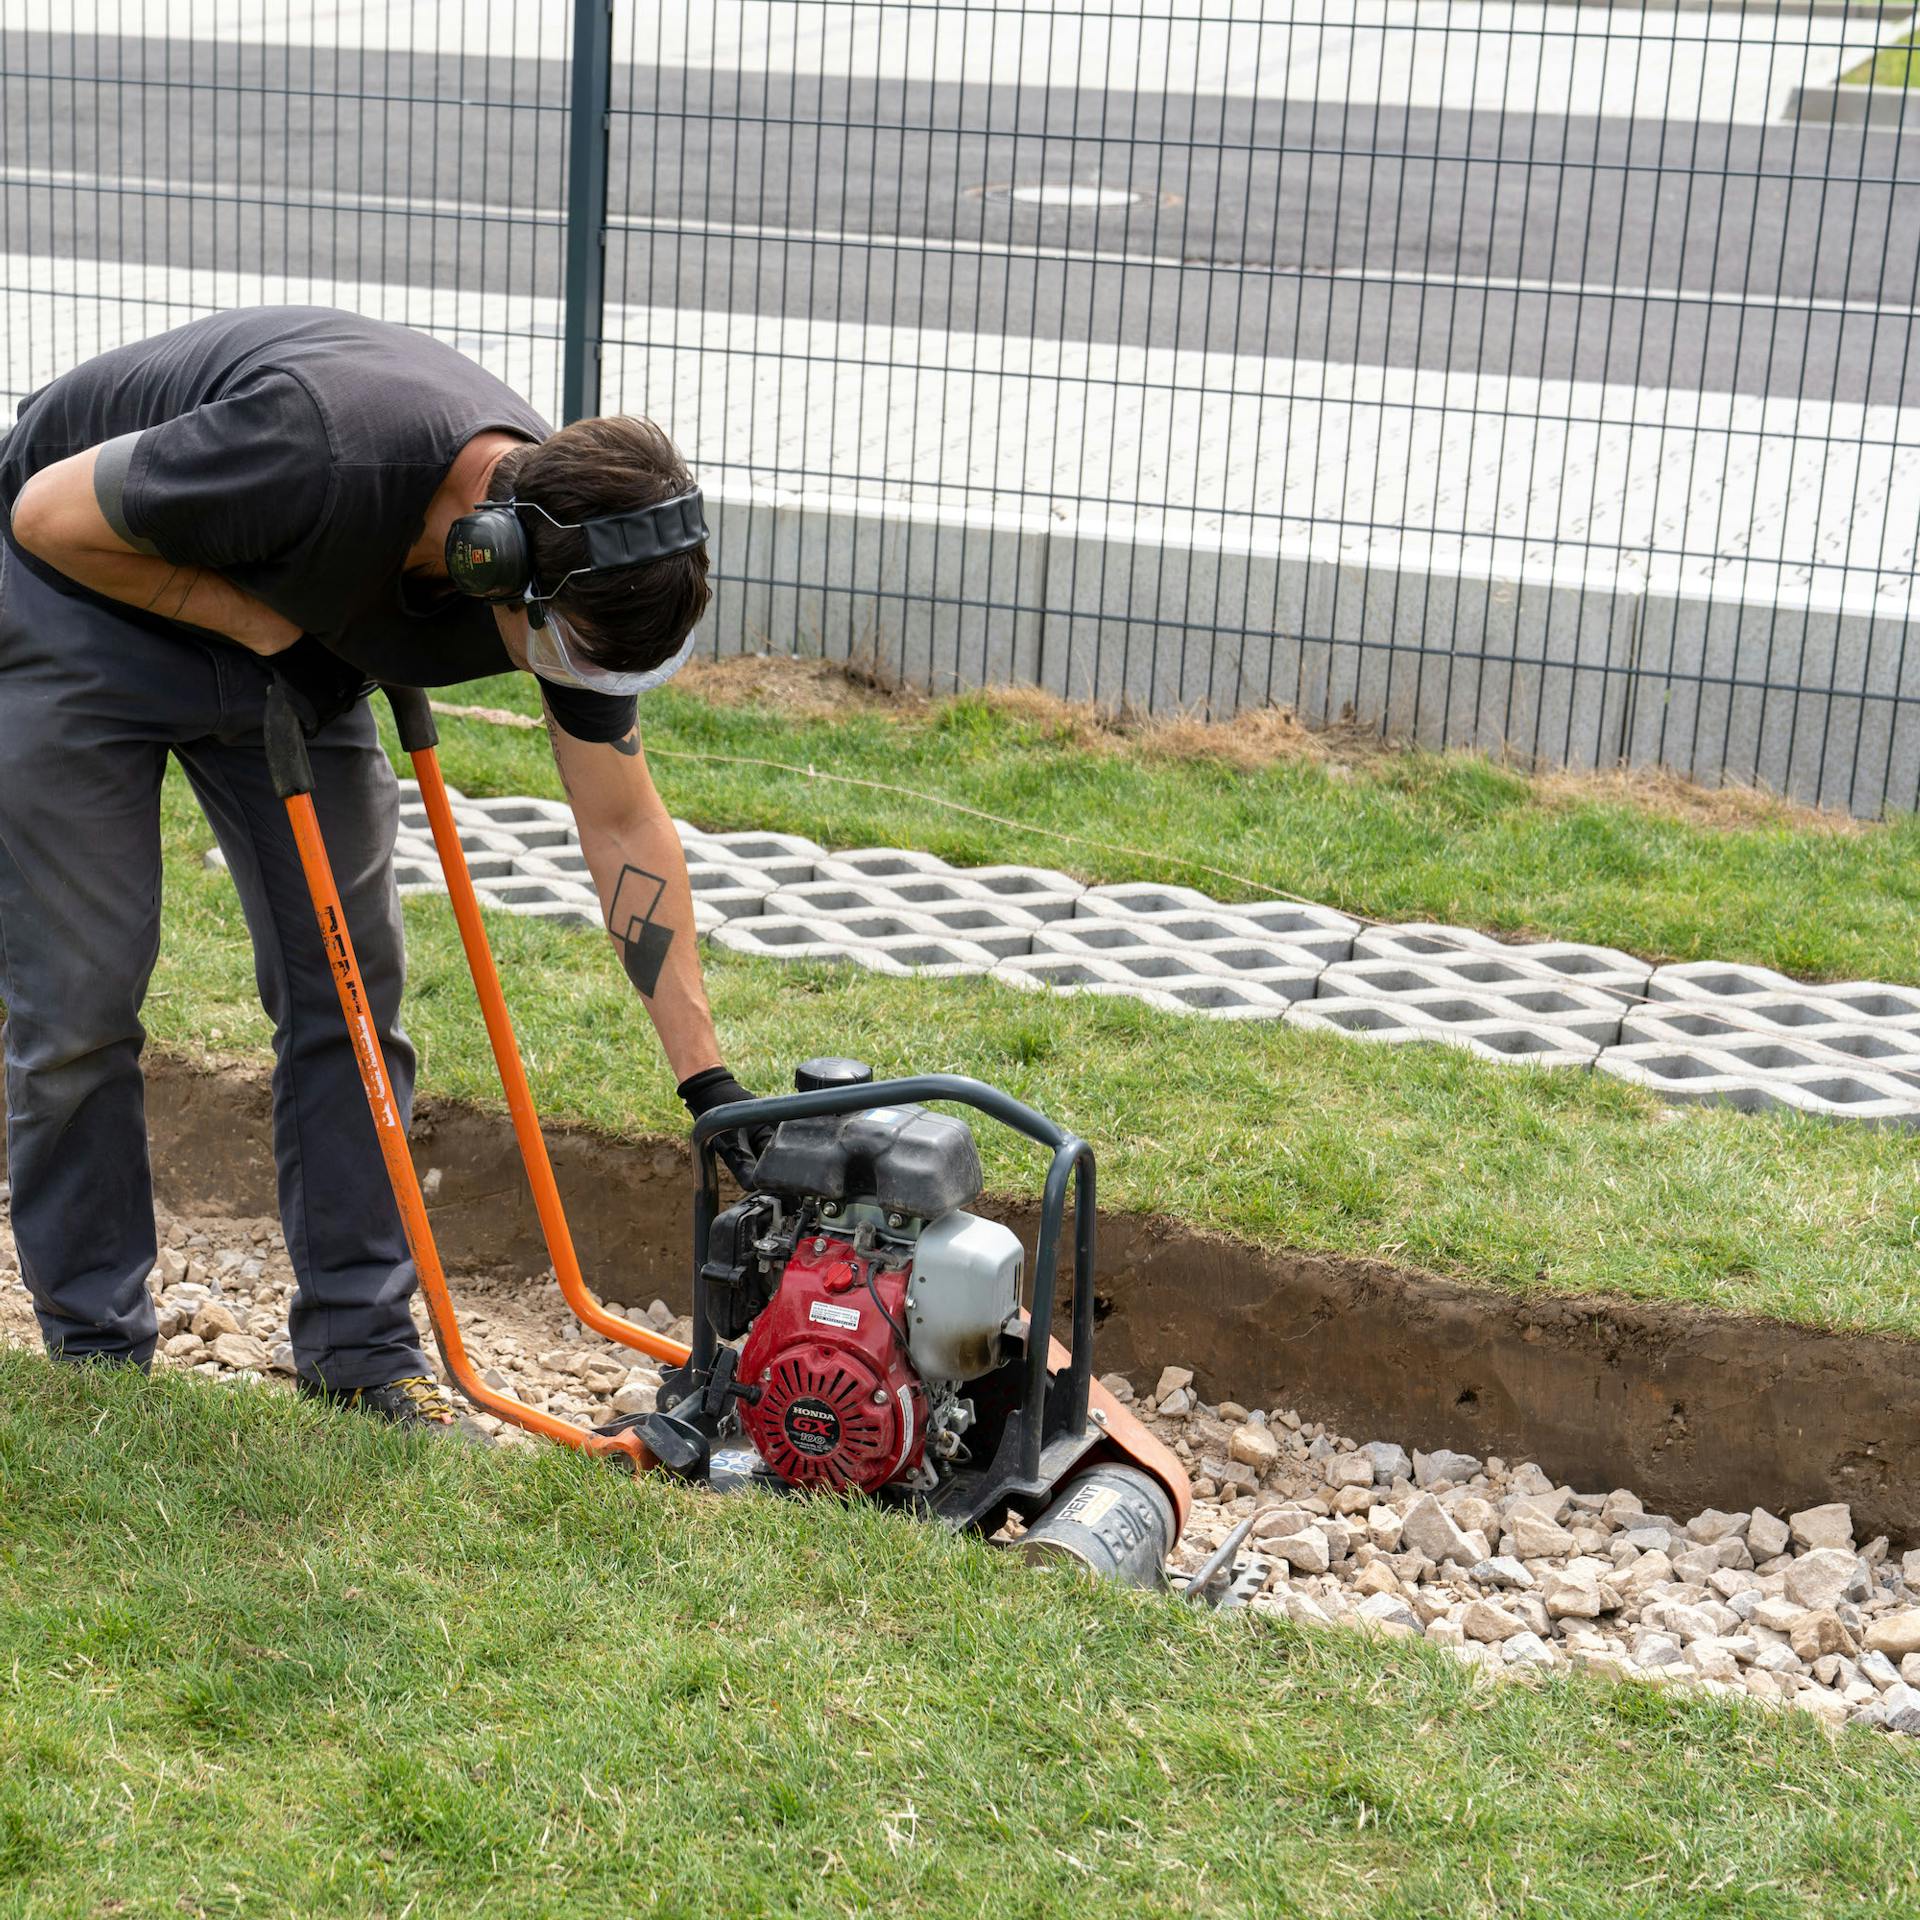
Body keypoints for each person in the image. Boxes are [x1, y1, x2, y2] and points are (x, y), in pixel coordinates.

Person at [0, 305, 758, 1427]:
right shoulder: (315, 448)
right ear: (489, 558)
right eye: (567, 653)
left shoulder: (587, 563)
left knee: (352, 988)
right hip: (80, 597)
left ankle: (361, 1352)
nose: (573, 680)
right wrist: (261, 628)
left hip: (294, 641)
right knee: (82, 997)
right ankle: (97, 1352)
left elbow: (622, 824)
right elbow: (45, 513)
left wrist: (710, 1088)